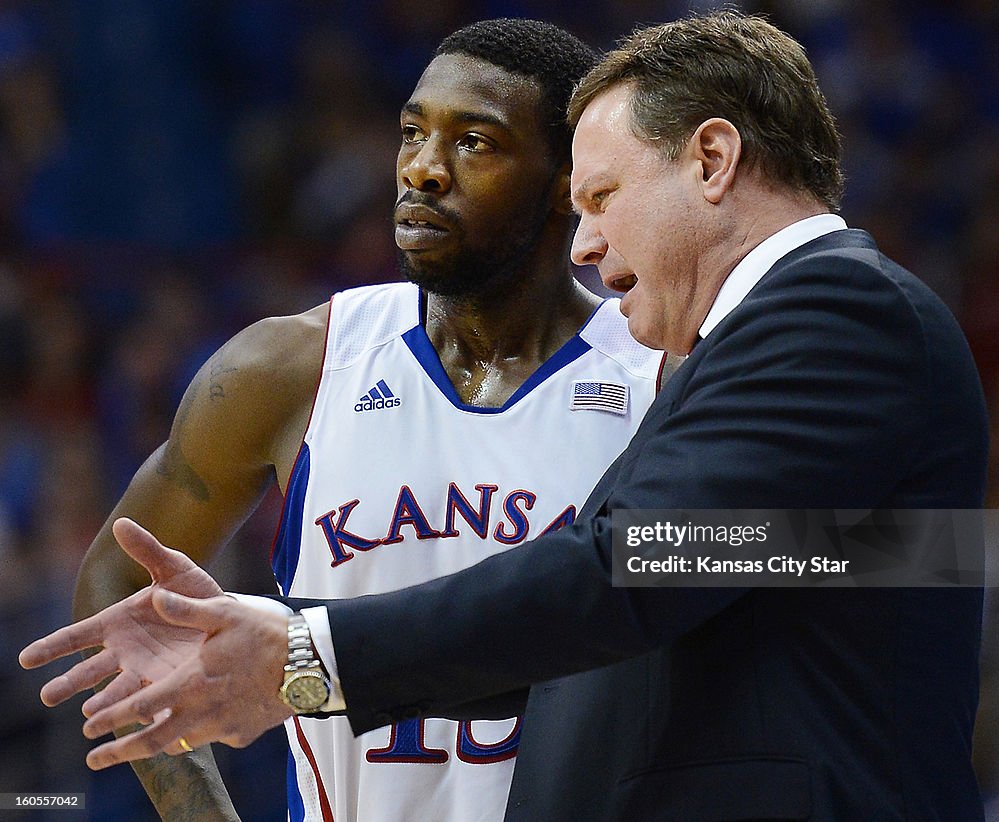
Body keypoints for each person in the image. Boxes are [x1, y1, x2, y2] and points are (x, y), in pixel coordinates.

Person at [22, 11, 989, 820]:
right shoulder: (301, 359)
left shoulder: (776, 334)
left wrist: (305, 658)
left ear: (710, 160)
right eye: (409, 133)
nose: (591, 240)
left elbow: (629, 581)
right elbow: (659, 599)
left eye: (599, 197)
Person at [38, 18, 670, 822]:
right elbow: (117, 579)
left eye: (475, 143)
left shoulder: (659, 372)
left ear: (566, 182)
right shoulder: (290, 366)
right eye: (413, 132)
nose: (423, 169)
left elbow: (829, 552)